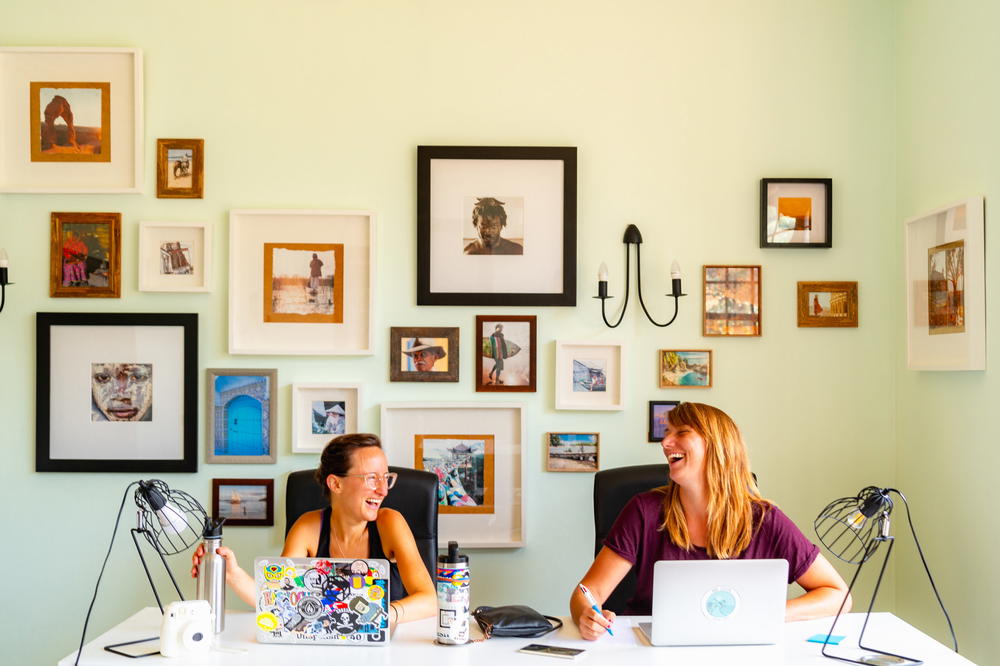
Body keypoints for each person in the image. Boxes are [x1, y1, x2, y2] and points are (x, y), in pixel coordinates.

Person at [571, 402, 851, 640]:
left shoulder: (765, 520)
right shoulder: (643, 510)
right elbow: (588, 592)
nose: (666, 443)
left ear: (717, 446)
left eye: (681, 433)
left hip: (737, 648)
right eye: (667, 433)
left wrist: (768, 614)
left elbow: (838, 595)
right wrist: (587, 615)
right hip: (653, 652)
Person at [191, 433, 436, 627]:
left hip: (385, 647)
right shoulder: (308, 527)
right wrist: (232, 573)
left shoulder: (390, 523)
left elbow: (429, 600)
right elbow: (277, 600)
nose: (383, 490)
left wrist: (381, 615)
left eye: (385, 478)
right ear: (335, 483)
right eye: (372, 478)